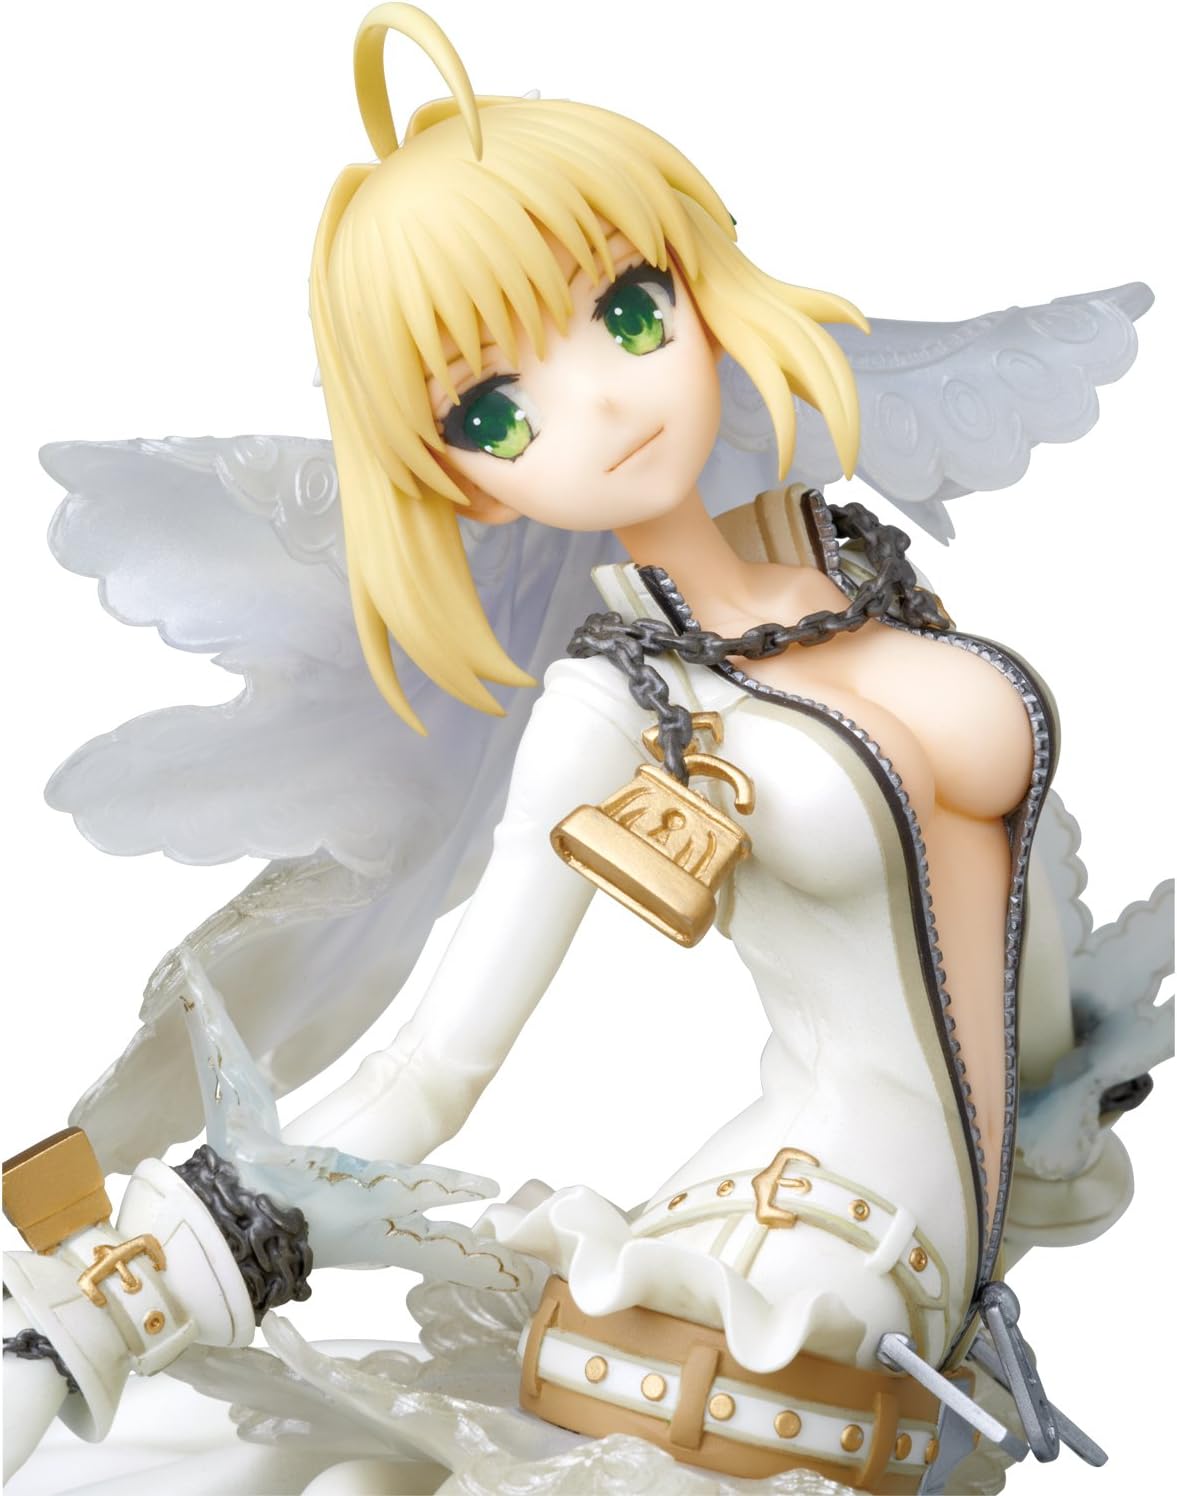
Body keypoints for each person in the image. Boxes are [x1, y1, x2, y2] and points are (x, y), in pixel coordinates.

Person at [4, 5, 1170, 1493]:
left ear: (702, 280)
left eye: (626, 311)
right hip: (780, 1283)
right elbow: (427, 1072)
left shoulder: (858, 573)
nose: (605, 402)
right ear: (460, 485)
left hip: (914, 1304)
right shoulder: (613, 708)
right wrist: (126, 1286)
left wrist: (1069, 1087)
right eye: (494, 409)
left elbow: (998, 950)